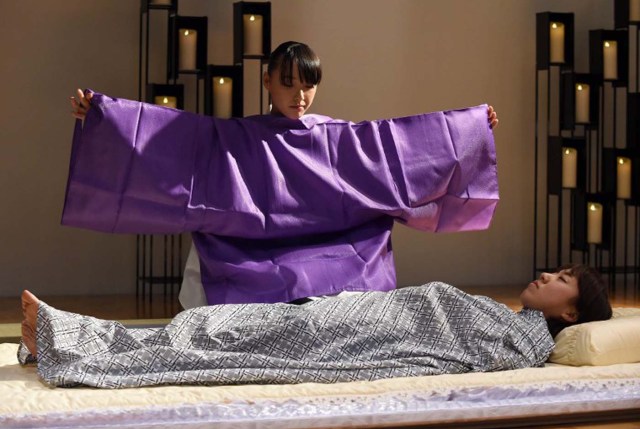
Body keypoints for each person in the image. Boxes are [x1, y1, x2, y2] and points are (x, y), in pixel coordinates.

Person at [67, 41, 500, 308]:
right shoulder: (238, 136)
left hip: (331, 246)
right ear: (267, 80)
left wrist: (471, 133)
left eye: (309, 84)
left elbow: (409, 151)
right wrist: (102, 115)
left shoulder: (336, 136)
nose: (300, 95)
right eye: (289, 82)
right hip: (249, 250)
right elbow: (164, 138)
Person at [19, 263, 611, 388]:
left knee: (221, 338)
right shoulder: (512, 322)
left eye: (561, 278)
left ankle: (63, 338)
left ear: (569, 312)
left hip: (362, 335)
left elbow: (450, 339)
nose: (545, 274)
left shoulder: (527, 341)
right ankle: (64, 338)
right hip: (357, 316)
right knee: (214, 324)